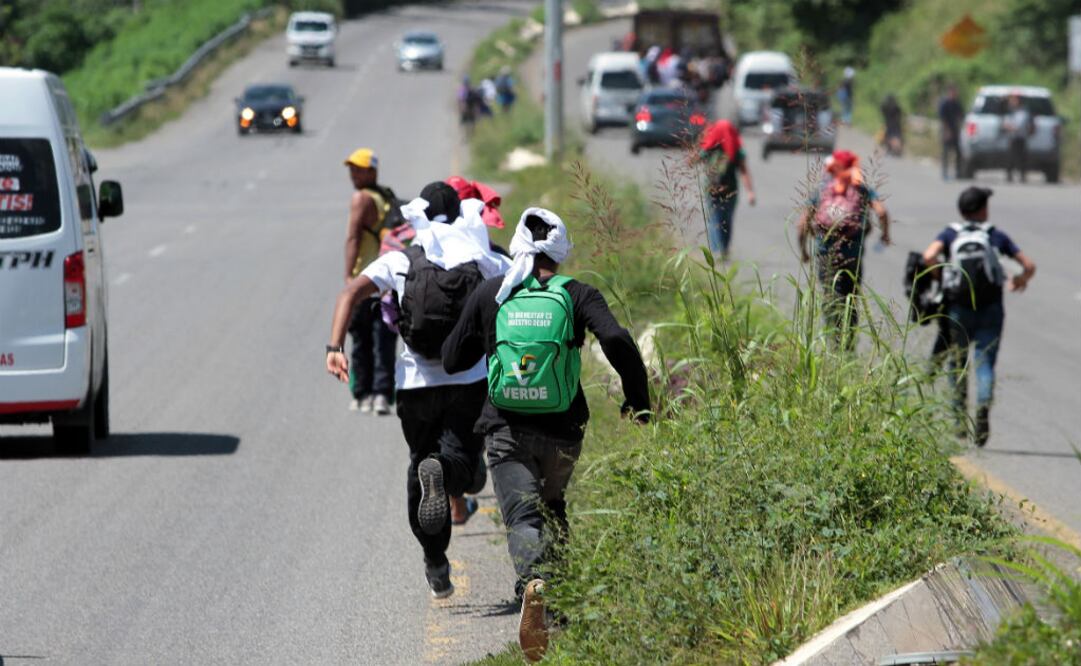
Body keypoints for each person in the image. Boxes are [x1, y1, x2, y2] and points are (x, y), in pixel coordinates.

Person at [442, 210, 650, 661]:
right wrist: (639, 400)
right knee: (553, 506)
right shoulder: (576, 294)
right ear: (561, 249)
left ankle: (535, 588)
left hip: (505, 428)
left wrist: (491, 340)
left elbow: (453, 357)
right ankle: (562, 605)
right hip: (563, 431)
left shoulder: (494, 293)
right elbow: (616, 338)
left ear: (518, 243)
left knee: (523, 518)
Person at [326, 182, 511, 598]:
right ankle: (445, 476)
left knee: (419, 464)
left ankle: (435, 562)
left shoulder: (402, 259)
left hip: (414, 386)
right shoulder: (484, 256)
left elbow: (351, 292)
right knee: (459, 465)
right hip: (468, 380)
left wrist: (335, 347)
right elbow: (522, 292)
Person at [921, 187, 1035, 446]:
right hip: (991, 308)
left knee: (957, 364)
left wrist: (943, 278)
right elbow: (1029, 266)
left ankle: (960, 421)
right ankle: (983, 406)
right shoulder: (994, 235)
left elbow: (929, 256)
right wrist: (1019, 279)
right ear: (983, 210)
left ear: (962, 211)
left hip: (958, 308)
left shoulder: (951, 234)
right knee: (984, 363)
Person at [797, 150, 891, 349]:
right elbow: (882, 212)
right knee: (851, 297)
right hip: (852, 255)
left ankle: (834, 340)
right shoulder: (862, 189)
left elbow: (802, 224)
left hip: (825, 254)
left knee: (830, 296)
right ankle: (848, 343)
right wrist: (885, 234)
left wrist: (804, 250)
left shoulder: (822, 188)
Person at [342, 148, 397, 415]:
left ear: (372, 171)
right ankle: (383, 394)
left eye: (359, 169)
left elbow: (353, 238)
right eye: (352, 169)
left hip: (365, 279)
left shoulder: (361, 199)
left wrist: (349, 276)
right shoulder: (385, 196)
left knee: (361, 338)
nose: (353, 173)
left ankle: (362, 393)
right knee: (383, 339)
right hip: (387, 281)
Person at [699, 120, 756, 260]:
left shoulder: (711, 145)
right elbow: (744, 171)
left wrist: (702, 139)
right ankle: (722, 249)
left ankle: (718, 250)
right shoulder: (736, 148)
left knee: (715, 220)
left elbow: (691, 160)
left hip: (711, 189)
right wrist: (750, 192)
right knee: (726, 220)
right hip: (730, 190)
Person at [938, 85, 964, 180]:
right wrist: (947, 131)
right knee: (946, 152)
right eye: (952, 92)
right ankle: (944, 173)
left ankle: (958, 172)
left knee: (958, 152)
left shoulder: (956, 103)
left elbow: (961, 115)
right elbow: (942, 118)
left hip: (955, 130)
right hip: (946, 131)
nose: (954, 94)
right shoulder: (945, 103)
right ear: (949, 92)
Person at [1003, 94, 1031, 183]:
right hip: (1012, 137)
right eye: (1011, 100)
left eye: (1014, 100)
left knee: (1022, 157)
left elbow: (1020, 125)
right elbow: (1005, 124)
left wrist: (1011, 127)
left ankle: (1023, 175)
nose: (1012, 102)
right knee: (1010, 157)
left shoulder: (1023, 112)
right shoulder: (1009, 112)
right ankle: (1009, 175)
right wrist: (1009, 127)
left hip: (1020, 138)